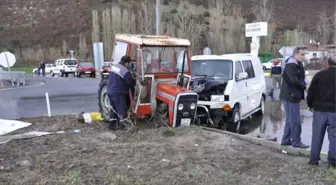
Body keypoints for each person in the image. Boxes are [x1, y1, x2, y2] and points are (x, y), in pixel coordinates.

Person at [307, 56, 336, 168]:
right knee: (334, 137)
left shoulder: (319, 75)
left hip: (319, 111)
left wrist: (310, 105)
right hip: (334, 112)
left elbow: (311, 92)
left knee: (317, 136)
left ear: (328, 64)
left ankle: (313, 160)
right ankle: (333, 163)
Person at [279, 47, 309, 148]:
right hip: (291, 96)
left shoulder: (296, 64)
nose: (304, 56)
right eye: (302, 54)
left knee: (289, 119)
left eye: (304, 54)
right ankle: (296, 141)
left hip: (290, 95)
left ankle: (286, 140)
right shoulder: (292, 65)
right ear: (296, 54)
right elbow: (293, 80)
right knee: (295, 120)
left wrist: (305, 83)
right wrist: (304, 86)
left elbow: (299, 78)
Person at [107, 55, 136, 130]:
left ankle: (112, 125)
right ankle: (123, 126)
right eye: (129, 63)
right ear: (127, 63)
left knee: (113, 108)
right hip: (118, 92)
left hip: (110, 91)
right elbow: (129, 82)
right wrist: (135, 81)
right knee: (121, 109)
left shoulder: (114, 67)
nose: (129, 65)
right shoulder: (124, 70)